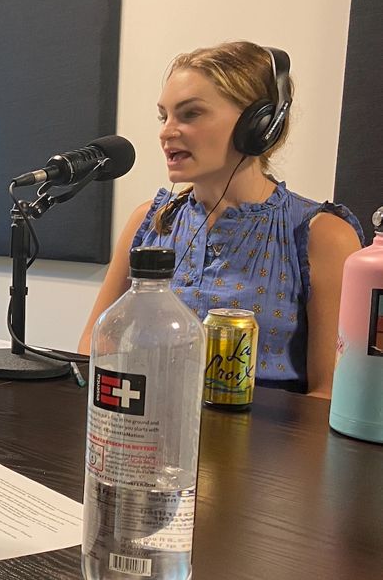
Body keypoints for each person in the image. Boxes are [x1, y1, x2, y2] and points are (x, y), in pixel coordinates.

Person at [78, 41, 364, 397]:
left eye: (190, 114)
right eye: (164, 116)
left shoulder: (323, 235)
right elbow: (93, 345)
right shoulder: (149, 221)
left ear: (259, 125)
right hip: (151, 426)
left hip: (266, 433)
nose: (166, 132)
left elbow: (328, 394)